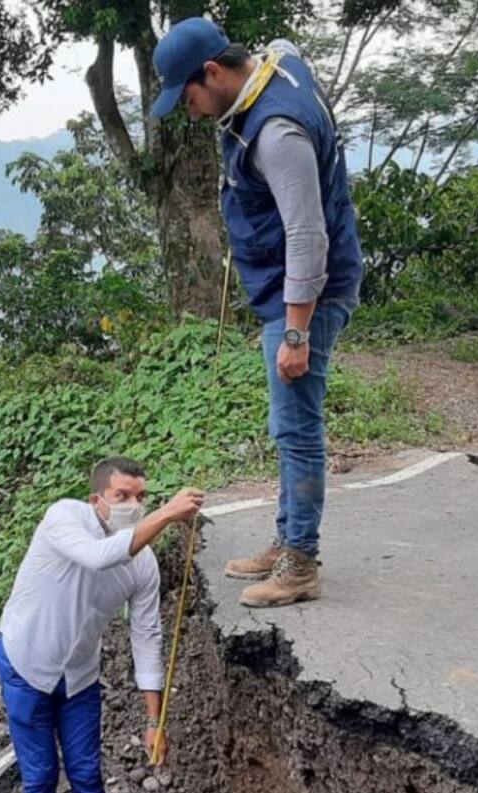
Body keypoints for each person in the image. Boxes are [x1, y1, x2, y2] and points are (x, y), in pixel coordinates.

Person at [152, 17, 363, 608]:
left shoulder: (276, 136)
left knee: (295, 426)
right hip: (287, 287)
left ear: (214, 72)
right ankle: (285, 539)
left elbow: (307, 234)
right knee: (287, 423)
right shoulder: (278, 61)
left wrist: (295, 331)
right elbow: (288, 49)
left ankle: (300, 563)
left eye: (189, 96)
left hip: (308, 293)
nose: (191, 112)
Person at [0, 457, 204, 793]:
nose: (133, 504)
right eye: (121, 496)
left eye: (141, 498)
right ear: (97, 500)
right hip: (25, 662)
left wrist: (154, 721)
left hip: (79, 677)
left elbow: (146, 636)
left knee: (88, 774)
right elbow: (97, 557)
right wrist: (167, 513)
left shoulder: (143, 564)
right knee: (40, 776)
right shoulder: (65, 518)